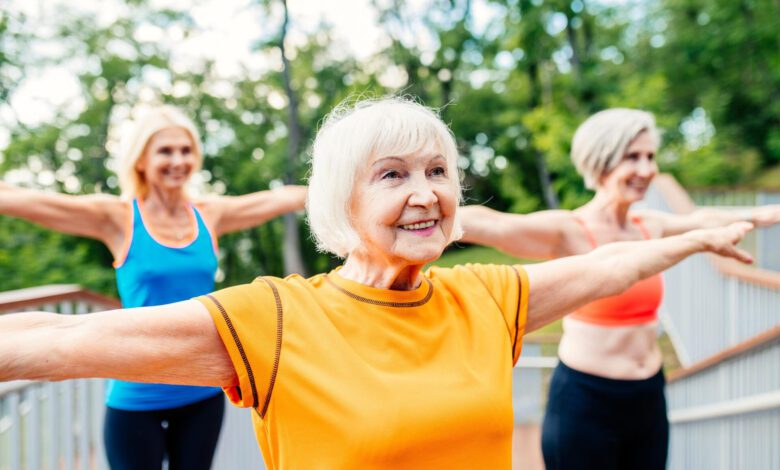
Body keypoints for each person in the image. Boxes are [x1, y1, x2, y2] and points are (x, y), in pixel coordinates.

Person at [0, 98, 755, 470]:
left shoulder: (487, 297)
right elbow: (63, 336)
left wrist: (691, 239)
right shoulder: (275, 319)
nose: (425, 193)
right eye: (393, 175)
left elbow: (602, 266)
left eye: (438, 172)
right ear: (342, 203)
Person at [458, 108, 780, 470]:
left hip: (648, 396)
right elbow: (494, 225)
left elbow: (699, 219)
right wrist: (432, 215)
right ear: (601, 162)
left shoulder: (650, 225)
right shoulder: (569, 230)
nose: (646, 170)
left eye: (650, 157)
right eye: (632, 157)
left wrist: (755, 216)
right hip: (586, 401)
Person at [0, 105, 307, 470]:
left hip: (202, 392)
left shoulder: (209, 213)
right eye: (165, 151)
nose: (178, 160)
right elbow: (27, 200)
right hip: (136, 396)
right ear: (141, 160)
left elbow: (281, 198)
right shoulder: (117, 217)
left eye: (186, 150)